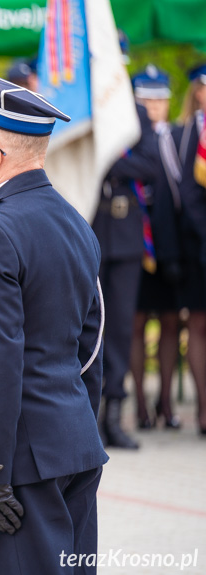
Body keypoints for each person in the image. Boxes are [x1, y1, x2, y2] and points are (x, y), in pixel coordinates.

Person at [0, 68, 108, 574]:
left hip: (17, 460)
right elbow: (90, 348)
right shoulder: (74, 222)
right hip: (70, 441)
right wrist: (78, 423)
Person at [93, 102, 160, 449]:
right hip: (89, 227)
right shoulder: (81, 105)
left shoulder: (134, 112)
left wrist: (105, 158)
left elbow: (151, 166)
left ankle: (114, 416)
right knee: (87, 327)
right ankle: (87, 416)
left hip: (127, 234)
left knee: (120, 327)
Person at [128, 66, 183, 430]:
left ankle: (166, 402)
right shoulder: (127, 138)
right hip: (134, 243)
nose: (153, 106)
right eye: (145, 99)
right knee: (133, 324)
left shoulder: (181, 136)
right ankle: (141, 407)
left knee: (169, 322)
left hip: (172, 246)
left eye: (159, 99)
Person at [177, 63, 206, 436]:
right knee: (198, 324)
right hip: (202, 245)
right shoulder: (189, 134)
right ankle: (203, 408)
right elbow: (187, 193)